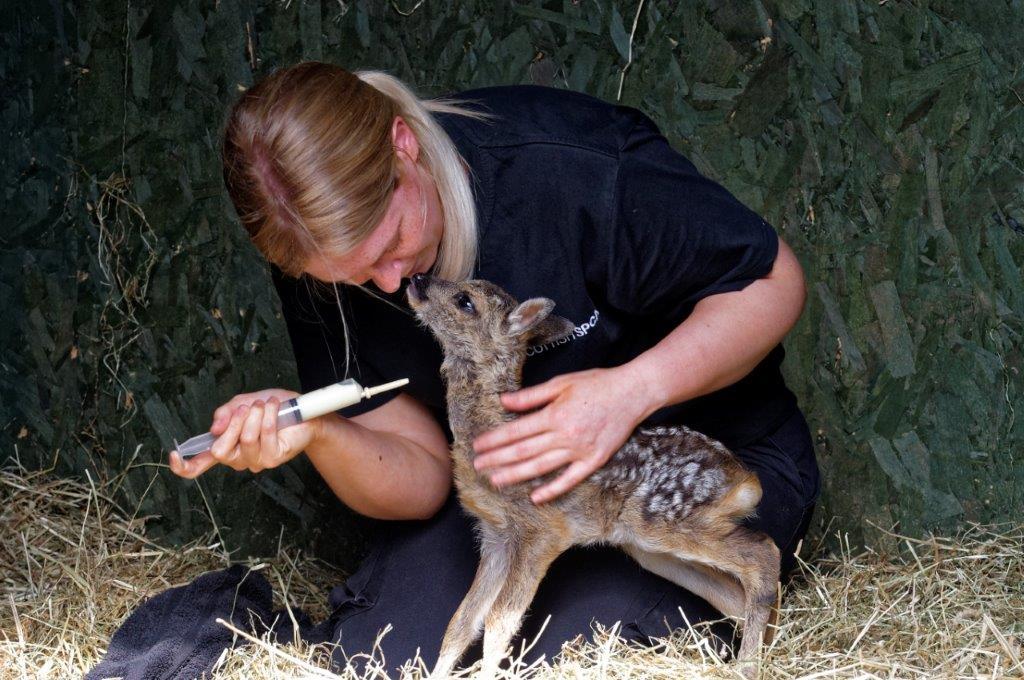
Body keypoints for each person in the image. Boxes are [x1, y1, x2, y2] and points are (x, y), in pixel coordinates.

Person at [169, 62, 820, 672]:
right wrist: (321, 431)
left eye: (392, 244)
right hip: (525, 501)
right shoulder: (320, 248)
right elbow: (423, 480)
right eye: (355, 276)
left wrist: (628, 393)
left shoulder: (566, 167)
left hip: (683, 469)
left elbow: (773, 284)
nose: (392, 285)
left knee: (579, 653)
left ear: (403, 144)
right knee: (388, 653)